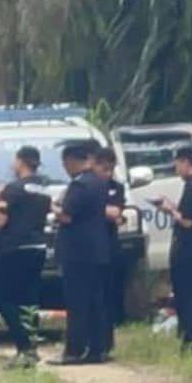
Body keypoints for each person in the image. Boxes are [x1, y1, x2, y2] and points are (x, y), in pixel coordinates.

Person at [0, 146, 52, 367]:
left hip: (15, 247)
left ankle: (23, 344)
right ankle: (31, 346)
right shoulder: (44, 189)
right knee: (29, 298)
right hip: (38, 247)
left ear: (21, 162)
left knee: (2, 297)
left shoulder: (12, 190)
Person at [52, 142, 110, 364]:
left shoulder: (79, 185)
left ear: (71, 161)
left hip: (77, 252)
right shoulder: (98, 182)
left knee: (77, 302)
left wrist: (54, 208)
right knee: (95, 301)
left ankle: (74, 350)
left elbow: (67, 216)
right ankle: (97, 348)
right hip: (96, 250)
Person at [160, 146, 192, 349]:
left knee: (187, 294)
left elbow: (187, 221)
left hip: (187, 249)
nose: (176, 170)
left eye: (177, 165)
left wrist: (169, 211)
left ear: (186, 162)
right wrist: (174, 207)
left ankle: (191, 336)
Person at [93, 146, 127, 354]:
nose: (108, 174)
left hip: (110, 244)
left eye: (111, 169)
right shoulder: (88, 185)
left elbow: (117, 211)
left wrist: (111, 213)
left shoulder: (116, 187)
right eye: (104, 169)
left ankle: (107, 341)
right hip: (90, 245)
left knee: (109, 294)